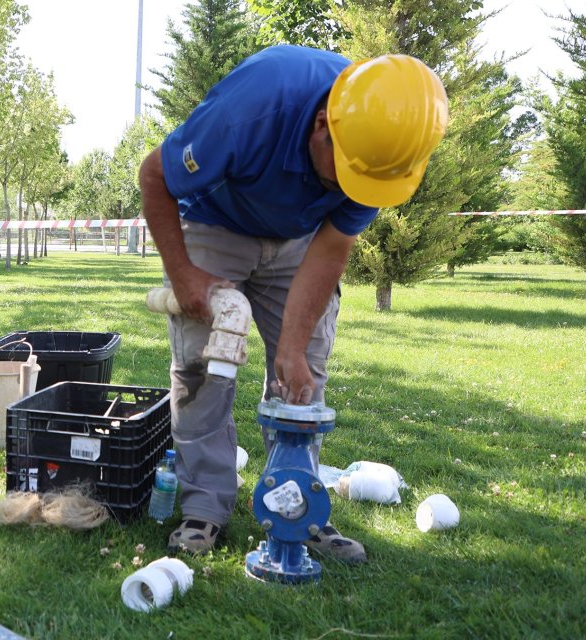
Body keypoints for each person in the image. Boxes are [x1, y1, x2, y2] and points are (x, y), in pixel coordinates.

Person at [139, 46, 447, 561]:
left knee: (303, 374)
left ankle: (295, 504)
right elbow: (154, 176)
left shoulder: (382, 152)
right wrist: (184, 275)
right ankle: (205, 507)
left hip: (302, 240)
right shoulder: (255, 106)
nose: (350, 188)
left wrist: (294, 346)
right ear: (324, 124)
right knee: (201, 366)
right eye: (342, 173)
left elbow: (332, 247)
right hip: (218, 220)